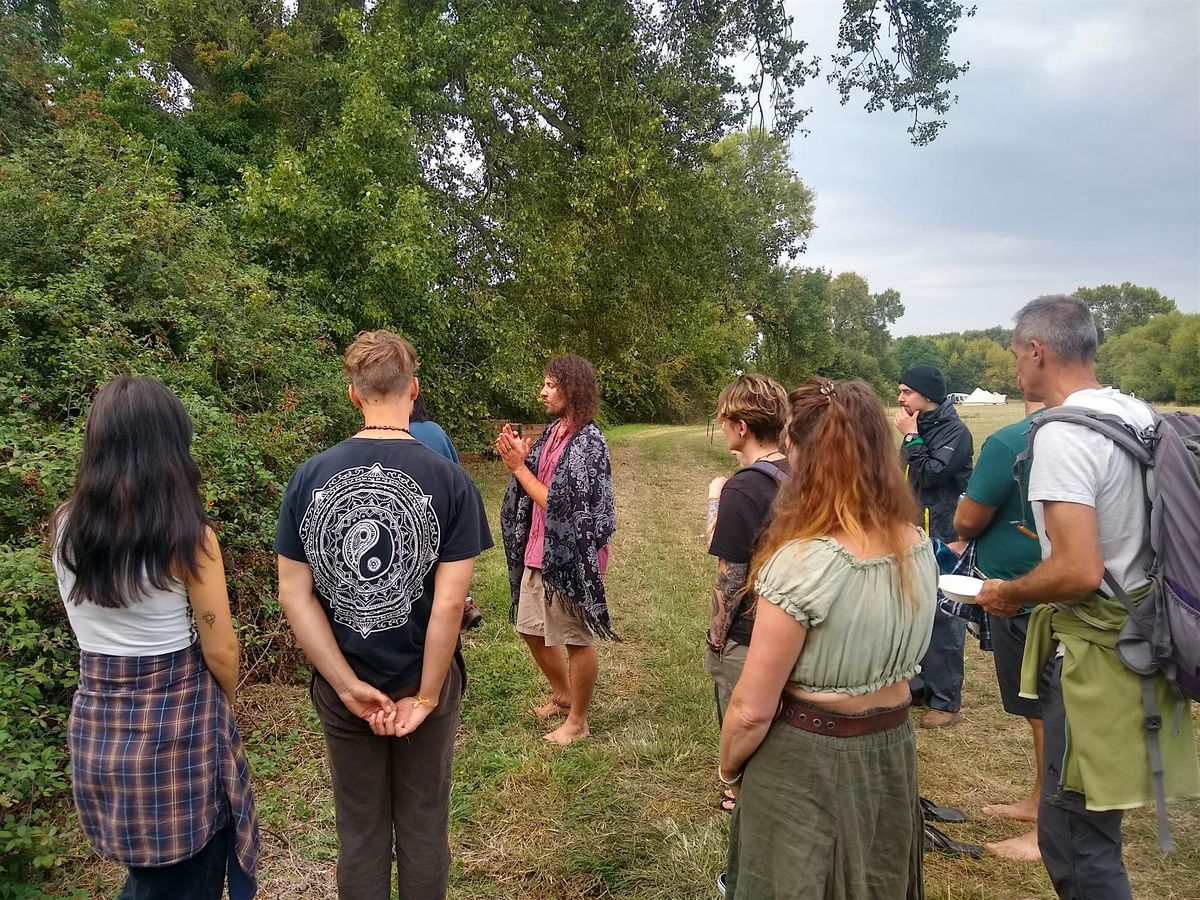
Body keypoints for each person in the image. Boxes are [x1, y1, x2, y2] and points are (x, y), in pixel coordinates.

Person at [977, 295, 1199, 899]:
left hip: (1095, 656)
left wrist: (1010, 592)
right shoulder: (1137, 413)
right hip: (1146, 632)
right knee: (1093, 821)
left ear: (1037, 351)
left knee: (1075, 838)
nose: (1016, 370)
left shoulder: (1064, 435)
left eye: (1017, 355)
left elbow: (1076, 570)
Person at [275, 330, 492, 900]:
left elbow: (293, 595)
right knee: (424, 827)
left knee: (360, 831)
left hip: (346, 684)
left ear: (353, 394)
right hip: (425, 682)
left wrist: (347, 686)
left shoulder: (309, 476)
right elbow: (449, 603)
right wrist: (424, 696)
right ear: (414, 390)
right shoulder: (451, 481)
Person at [719, 378, 937, 900]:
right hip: (889, 749)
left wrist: (729, 768)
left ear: (803, 454)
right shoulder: (917, 546)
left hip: (807, 760)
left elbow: (751, 710)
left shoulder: (802, 565)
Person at [53, 377, 259, 900]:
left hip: (99, 727)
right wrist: (222, 708)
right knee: (184, 882)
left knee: (150, 877)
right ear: (170, 447)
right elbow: (222, 648)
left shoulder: (65, 528)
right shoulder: (190, 538)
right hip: (177, 736)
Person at [497, 354, 616, 746]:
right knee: (530, 628)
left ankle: (578, 721)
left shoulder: (588, 441)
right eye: (544, 384)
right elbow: (537, 475)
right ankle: (563, 695)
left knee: (576, 638)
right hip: (539, 546)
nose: (542, 391)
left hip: (571, 554)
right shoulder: (554, 432)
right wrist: (522, 454)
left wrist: (519, 468)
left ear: (572, 390)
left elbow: (561, 503)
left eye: (550, 384)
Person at [954, 396, 1045, 861]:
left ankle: (1048, 831)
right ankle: (1040, 802)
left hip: (1029, 600)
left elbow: (968, 519)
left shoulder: (1010, 441)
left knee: (1049, 710)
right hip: (1068, 601)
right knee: (1043, 711)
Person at [703, 374, 789, 814]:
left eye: (724, 420)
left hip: (750, 628)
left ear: (740, 426)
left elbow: (730, 574)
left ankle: (739, 792)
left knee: (741, 708)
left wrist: (718, 638)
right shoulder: (801, 473)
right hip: (790, 623)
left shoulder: (744, 487)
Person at [895, 363, 973, 728]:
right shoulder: (919, 429)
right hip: (911, 535)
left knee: (945, 617)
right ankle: (920, 685)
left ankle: (946, 702)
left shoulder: (955, 432)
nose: (900, 398)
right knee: (915, 611)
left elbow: (931, 472)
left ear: (927, 395)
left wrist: (911, 437)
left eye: (906, 391)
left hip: (943, 536)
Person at [409, 389, 482, 630]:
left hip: (407, 515)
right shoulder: (434, 431)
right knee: (451, 561)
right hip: (440, 508)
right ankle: (466, 603)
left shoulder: (384, 436)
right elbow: (456, 470)